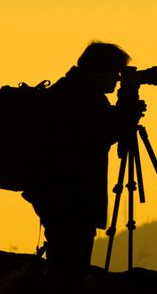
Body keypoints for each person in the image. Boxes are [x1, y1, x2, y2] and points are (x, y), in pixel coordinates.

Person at [22, 42, 144, 276]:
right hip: (70, 196)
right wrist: (128, 98)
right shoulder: (81, 96)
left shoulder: (72, 90)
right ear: (99, 70)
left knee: (66, 260)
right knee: (71, 266)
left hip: (59, 193)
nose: (117, 79)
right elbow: (106, 132)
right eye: (115, 72)